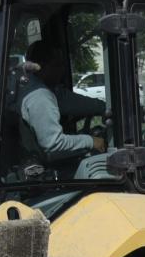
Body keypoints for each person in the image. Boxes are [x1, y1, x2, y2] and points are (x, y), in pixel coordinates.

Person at [16, 40, 106, 171]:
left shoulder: (43, 88)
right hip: (43, 168)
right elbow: (53, 143)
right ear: (41, 66)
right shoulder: (39, 96)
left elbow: (74, 102)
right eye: (57, 65)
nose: (63, 69)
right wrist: (92, 141)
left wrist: (103, 107)